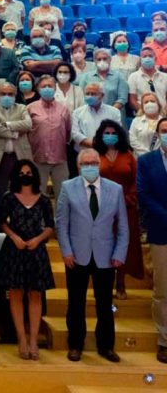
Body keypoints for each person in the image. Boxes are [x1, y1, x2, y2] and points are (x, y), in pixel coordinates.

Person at [56, 148, 129, 363]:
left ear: (99, 164)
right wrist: (66, 251)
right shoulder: (67, 188)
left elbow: (123, 226)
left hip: (106, 256)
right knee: (76, 303)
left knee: (105, 304)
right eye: (85, 163)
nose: (89, 166)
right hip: (76, 256)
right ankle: (75, 345)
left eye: (93, 162)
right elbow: (61, 224)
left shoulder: (115, 190)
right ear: (78, 167)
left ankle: (106, 346)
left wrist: (119, 253)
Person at [0, 160, 55, 361]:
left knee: (35, 295)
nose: (25, 175)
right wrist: (14, 237)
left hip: (36, 250)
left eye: (28, 172)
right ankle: (21, 339)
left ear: (35, 175)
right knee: (15, 294)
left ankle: (33, 340)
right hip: (15, 250)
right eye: (21, 172)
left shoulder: (44, 200)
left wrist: (38, 239)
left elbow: (50, 225)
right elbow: (1, 222)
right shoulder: (9, 198)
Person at [93, 120, 143, 300]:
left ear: (119, 135)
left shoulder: (128, 155)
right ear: (100, 135)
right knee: (103, 245)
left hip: (126, 206)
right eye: (106, 132)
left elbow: (137, 181)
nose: (109, 135)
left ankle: (120, 283)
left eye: (113, 132)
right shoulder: (94, 155)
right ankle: (104, 284)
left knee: (124, 245)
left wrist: (128, 199)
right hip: (100, 208)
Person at [136, 118, 167, 363]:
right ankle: (164, 340)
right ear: (157, 134)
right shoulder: (147, 161)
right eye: (165, 131)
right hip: (161, 231)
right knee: (163, 289)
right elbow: (144, 195)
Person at [0, 82, 33, 195]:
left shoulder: (22, 108)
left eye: (10, 94)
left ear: (15, 96)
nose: (7, 97)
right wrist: (15, 134)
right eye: (3, 94)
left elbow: (28, 124)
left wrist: (7, 124)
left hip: (19, 156)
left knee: (21, 191)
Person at [27, 75, 72, 200]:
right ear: (37, 89)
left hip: (60, 159)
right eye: (43, 86)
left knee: (62, 197)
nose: (47, 88)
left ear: (55, 88)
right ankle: (41, 220)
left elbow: (68, 132)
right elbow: (25, 133)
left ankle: (60, 220)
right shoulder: (30, 108)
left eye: (50, 86)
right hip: (38, 159)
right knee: (38, 196)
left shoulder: (64, 109)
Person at [71, 82, 122, 154]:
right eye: (87, 94)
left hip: (107, 152)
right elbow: (75, 134)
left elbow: (117, 132)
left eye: (93, 94)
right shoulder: (77, 112)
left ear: (102, 95)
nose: (90, 96)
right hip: (83, 154)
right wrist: (95, 145)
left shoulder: (114, 112)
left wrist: (102, 146)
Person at [127, 46, 167, 112]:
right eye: (144, 56)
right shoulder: (133, 77)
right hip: (142, 115)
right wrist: (145, 113)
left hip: (163, 115)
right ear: (140, 59)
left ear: (155, 58)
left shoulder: (165, 77)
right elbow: (132, 100)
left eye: (150, 56)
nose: (147, 58)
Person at [130, 92, 162, 156]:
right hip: (140, 158)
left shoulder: (164, 122)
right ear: (142, 106)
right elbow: (132, 140)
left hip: (159, 158)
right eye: (146, 102)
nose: (149, 103)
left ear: (158, 104)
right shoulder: (136, 121)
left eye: (152, 101)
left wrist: (154, 155)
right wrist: (146, 154)